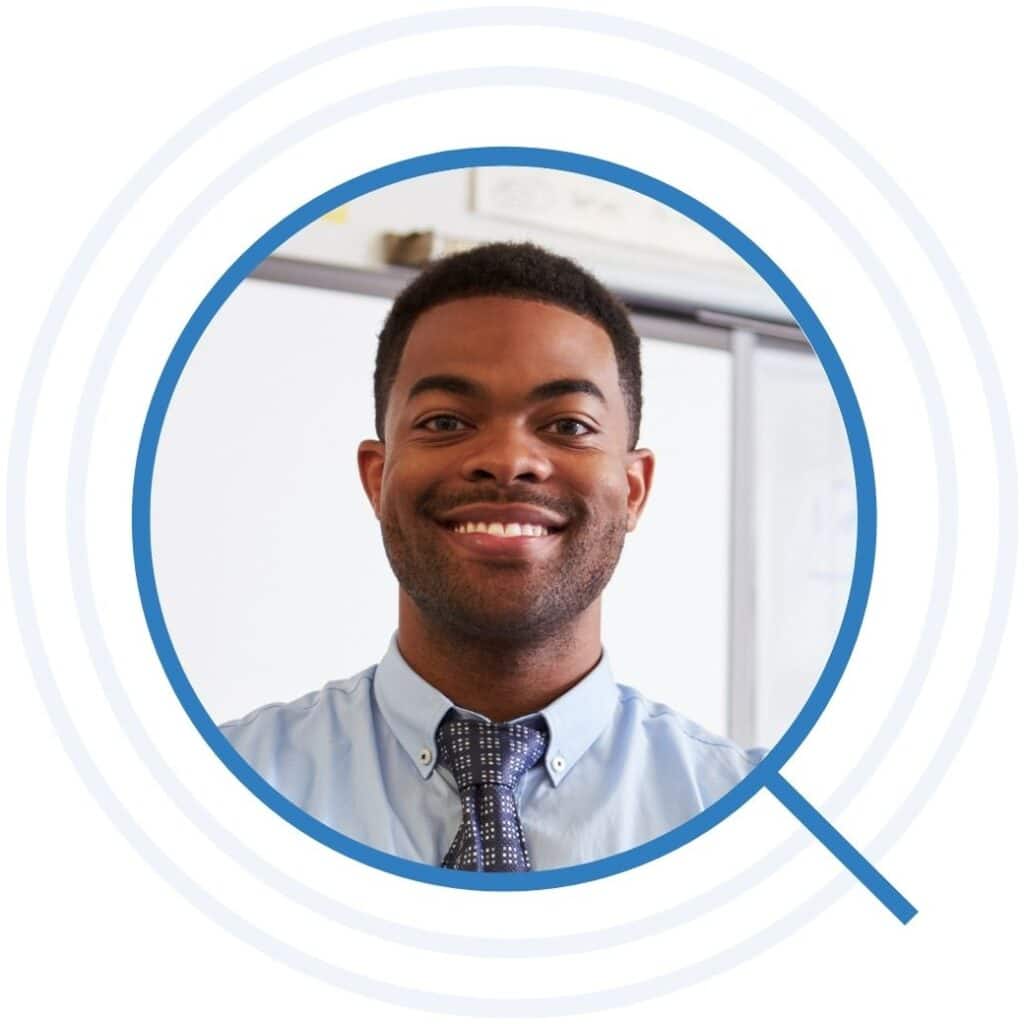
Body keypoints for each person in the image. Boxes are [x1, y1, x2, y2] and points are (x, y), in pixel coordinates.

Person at [221, 241, 762, 873]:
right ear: (376, 479)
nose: (507, 461)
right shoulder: (219, 789)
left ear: (633, 490)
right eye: (446, 422)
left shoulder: (751, 819)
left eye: (569, 425)